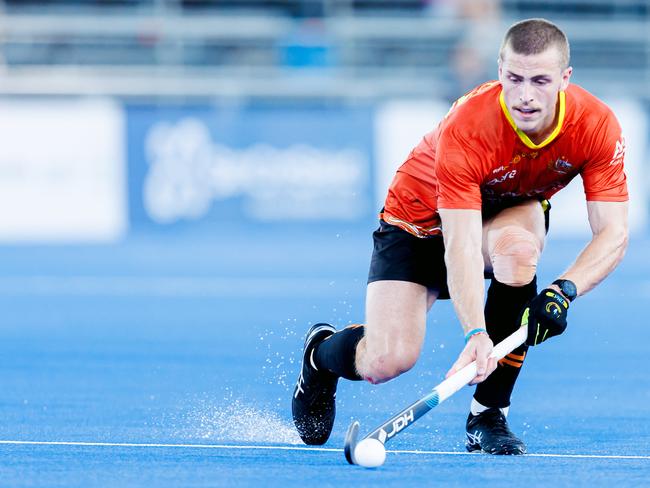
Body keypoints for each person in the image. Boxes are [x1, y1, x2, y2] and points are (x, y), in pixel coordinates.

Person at [292, 18, 629, 455]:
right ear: (499, 71)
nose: (526, 95)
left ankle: (488, 414)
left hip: (507, 211)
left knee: (519, 251)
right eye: (515, 78)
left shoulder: (595, 125)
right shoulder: (469, 127)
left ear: (565, 78)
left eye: (541, 81)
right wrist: (475, 333)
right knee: (386, 360)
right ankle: (321, 354)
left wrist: (563, 292)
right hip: (418, 222)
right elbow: (462, 245)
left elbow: (614, 233)